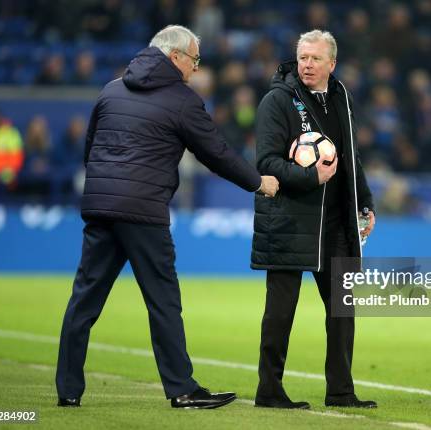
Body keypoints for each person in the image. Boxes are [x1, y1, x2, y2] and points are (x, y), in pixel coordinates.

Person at [55, 25, 279, 410]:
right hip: (143, 212)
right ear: (174, 57)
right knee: (163, 301)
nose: (195, 68)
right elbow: (218, 154)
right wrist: (258, 182)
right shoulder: (181, 100)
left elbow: (91, 146)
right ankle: (182, 389)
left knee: (84, 300)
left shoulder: (111, 88)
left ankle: (68, 391)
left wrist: (104, 187)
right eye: (193, 59)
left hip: (101, 206)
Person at [251, 30, 376, 409]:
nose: (307, 64)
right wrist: (311, 177)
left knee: (342, 309)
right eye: (303, 57)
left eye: (315, 59)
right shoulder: (277, 100)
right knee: (280, 311)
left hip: (337, 222)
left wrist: (365, 202)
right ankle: (269, 391)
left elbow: (350, 157)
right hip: (292, 219)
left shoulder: (342, 99)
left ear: (331, 64)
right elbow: (266, 163)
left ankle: (340, 391)